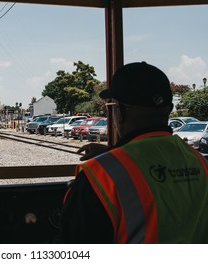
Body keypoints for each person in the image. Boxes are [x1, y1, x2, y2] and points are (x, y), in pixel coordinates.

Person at [57, 62, 208, 243]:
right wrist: (112, 152)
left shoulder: (99, 176)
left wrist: (111, 156)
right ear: (168, 110)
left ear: (120, 112)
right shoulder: (200, 162)